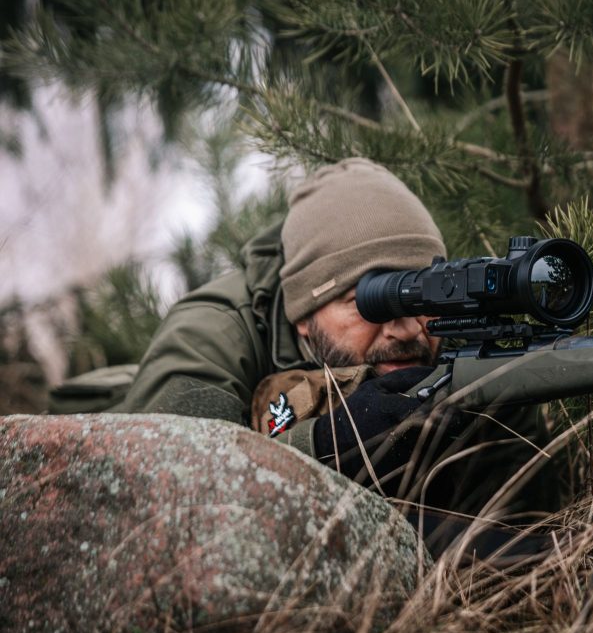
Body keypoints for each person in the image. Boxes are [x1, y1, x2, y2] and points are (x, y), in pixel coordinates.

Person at [116, 158, 556, 523]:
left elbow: (521, 524)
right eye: (369, 300)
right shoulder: (212, 333)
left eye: (421, 291)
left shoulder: (457, 341)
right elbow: (167, 500)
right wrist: (328, 445)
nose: (403, 329)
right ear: (303, 315)